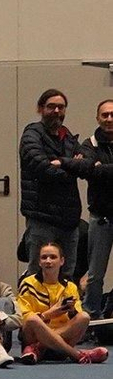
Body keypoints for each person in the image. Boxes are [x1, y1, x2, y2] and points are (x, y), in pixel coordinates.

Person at [19, 89, 91, 275]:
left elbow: (87, 165)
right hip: (42, 217)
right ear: (40, 109)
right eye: (51, 107)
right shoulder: (31, 135)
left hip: (69, 220)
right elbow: (44, 170)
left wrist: (64, 163)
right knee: (38, 274)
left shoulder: (68, 137)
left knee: (67, 274)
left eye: (61, 107)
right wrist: (73, 167)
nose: (57, 111)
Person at [15, 240, 105, 364]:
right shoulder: (28, 284)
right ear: (39, 262)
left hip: (57, 341)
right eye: (44, 257)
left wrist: (71, 310)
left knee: (84, 317)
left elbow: (77, 316)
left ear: (61, 261)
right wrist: (49, 314)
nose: (48, 261)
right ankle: (76, 354)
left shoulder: (70, 287)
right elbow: (25, 320)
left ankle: (39, 348)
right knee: (32, 319)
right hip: (33, 336)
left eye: (53, 257)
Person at [78, 99, 113, 323]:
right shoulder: (88, 144)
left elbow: (97, 171)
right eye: (105, 115)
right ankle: (90, 319)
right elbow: (88, 170)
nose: (109, 119)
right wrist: (95, 169)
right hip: (101, 217)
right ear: (97, 118)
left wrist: (102, 169)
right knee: (95, 275)